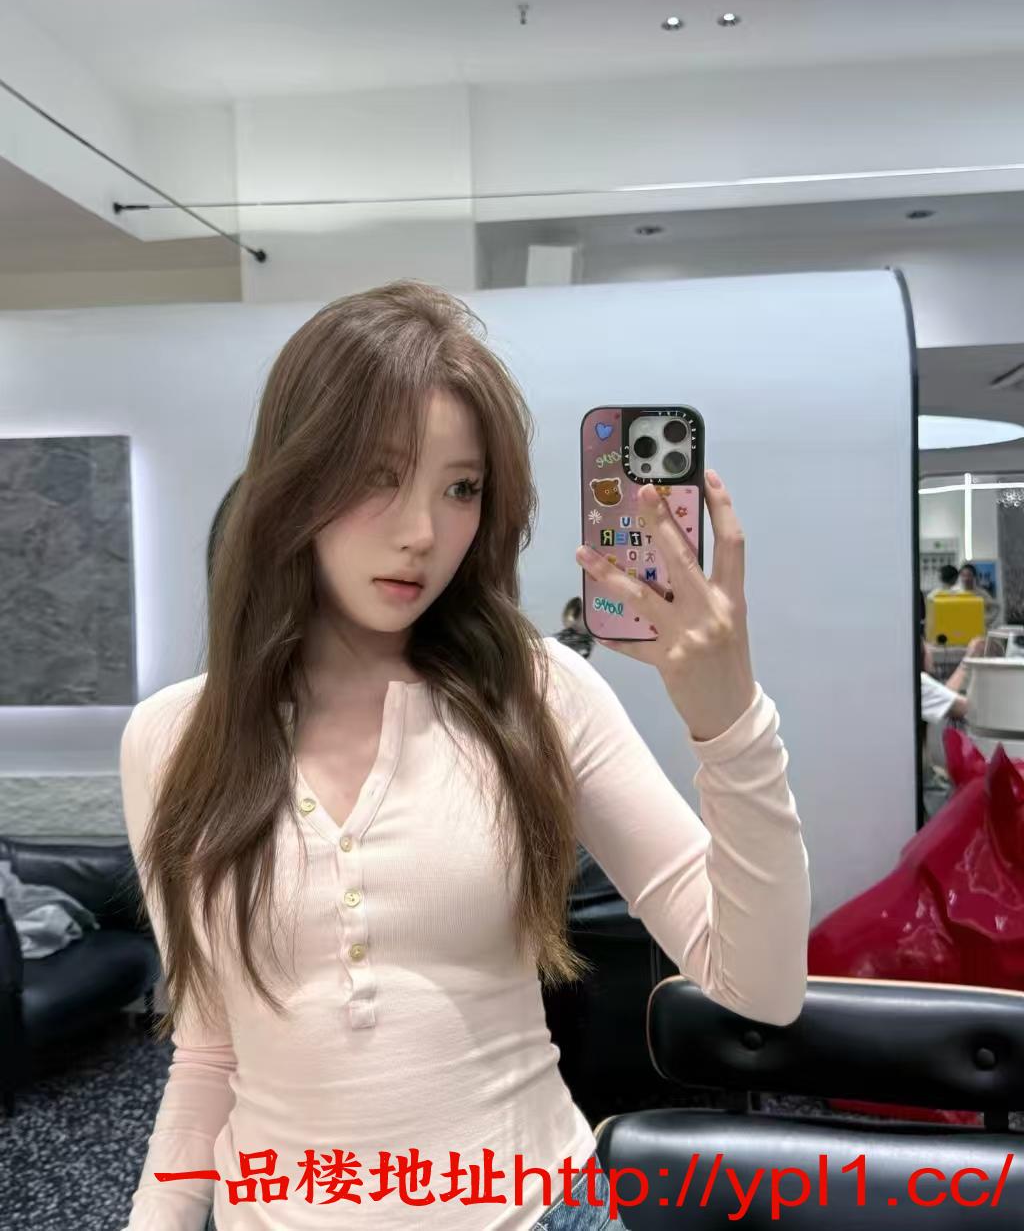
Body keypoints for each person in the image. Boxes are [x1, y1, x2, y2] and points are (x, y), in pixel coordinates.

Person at [119, 280, 811, 1231]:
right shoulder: (170, 740)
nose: (422, 533)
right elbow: (208, 1053)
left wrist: (730, 724)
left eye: (461, 489)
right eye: (378, 476)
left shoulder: (538, 693)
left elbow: (760, 987)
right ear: (294, 477)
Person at [920, 636, 986, 724]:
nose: (930, 649)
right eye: (927, 645)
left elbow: (945, 697)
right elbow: (969, 709)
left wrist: (969, 658)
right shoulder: (920, 683)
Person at [957, 562, 1000, 630]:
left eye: (969, 575)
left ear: (974, 577)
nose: (966, 578)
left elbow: (996, 607)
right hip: (961, 628)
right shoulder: (956, 593)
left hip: (979, 629)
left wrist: (986, 621)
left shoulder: (981, 593)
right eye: (963, 575)